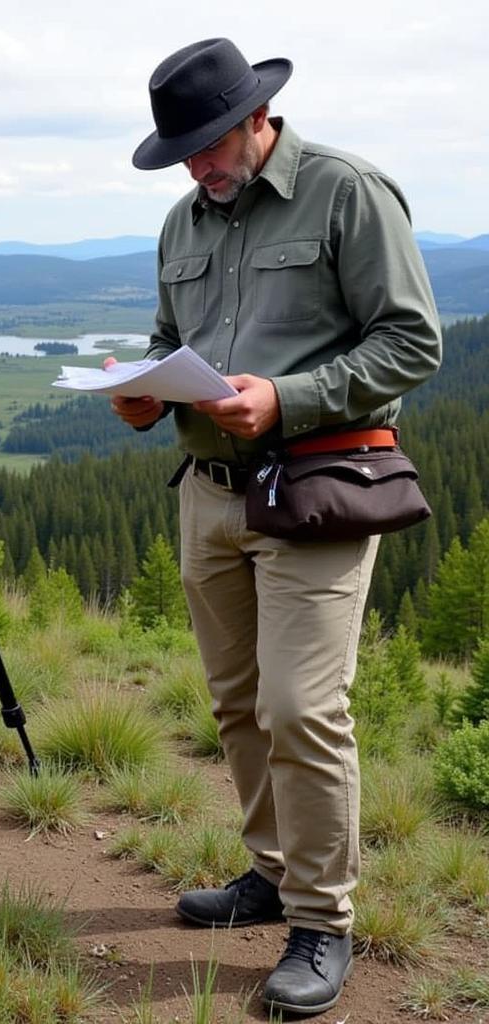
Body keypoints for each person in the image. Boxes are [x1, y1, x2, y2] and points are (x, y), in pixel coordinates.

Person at [114, 38, 441, 1015]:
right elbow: (171, 341)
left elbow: (412, 336)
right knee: (236, 702)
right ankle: (268, 870)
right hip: (207, 492)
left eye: (210, 142)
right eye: (182, 151)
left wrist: (290, 397)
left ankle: (321, 921)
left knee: (301, 707)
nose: (197, 165)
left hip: (317, 484)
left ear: (258, 118)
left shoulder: (347, 191)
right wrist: (140, 387)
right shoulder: (182, 220)